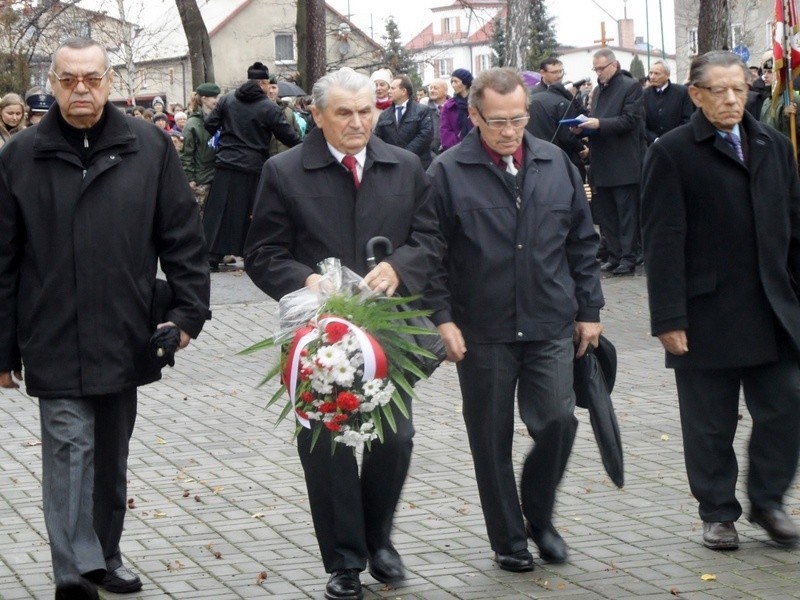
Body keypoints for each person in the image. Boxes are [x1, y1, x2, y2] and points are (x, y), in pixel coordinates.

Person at [0, 37, 211, 599]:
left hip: (125, 330)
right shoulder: (20, 156)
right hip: (50, 330)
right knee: (70, 447)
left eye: (91, 79)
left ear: (109, 81)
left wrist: (189, 313)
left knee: (110, 454)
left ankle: (105, 555)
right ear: (53, 83)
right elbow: (2, 258)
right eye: (69, 80)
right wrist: (1, 351)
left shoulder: (148, 146)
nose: (81, 90)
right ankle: (74, 572)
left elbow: (182, 237)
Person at [244, 67, 443, 600]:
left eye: (367, 111)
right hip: (319, 336)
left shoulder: (404, 165)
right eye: (345, 113)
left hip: (388, 335)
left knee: (394, 439)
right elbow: (262, 253)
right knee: (327, 446)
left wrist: (401, 266)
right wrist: (306, 280)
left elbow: (430, 237)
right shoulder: (284, 171)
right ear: (317, 115)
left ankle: (378, 541)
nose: (359, 123)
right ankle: (345, 561)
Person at [427, 67, 604, 572]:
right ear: (475, 116)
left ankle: (540, 516)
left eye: (518, 120)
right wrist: (443, 319)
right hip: (481, 330)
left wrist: (589, 310)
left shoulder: (556, 163)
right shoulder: (446, 172)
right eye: (498, 121)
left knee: (557, 422)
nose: (509, 131)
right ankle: (508, 538)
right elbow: (430, 255)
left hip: (551, 321)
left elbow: (582, 242)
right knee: (490, 437)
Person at [641, 50, 800, 552]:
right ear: (696, 95)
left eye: (739, 89)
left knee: (787, 405)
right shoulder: (672, 151)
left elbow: (794, 229)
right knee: (710, 423)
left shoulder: (773, 144)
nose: (732, 99)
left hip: (774, 308)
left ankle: (769, 502)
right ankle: (717, 512)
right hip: (705, 312)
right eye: (719, 91)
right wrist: (668, 316)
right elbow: (661, 239)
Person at [203, 61, 301, 270]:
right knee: (250, 213)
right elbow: (288, 136)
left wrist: (226, 140)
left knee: (219, 212)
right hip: (252, 166)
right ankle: (250, 254)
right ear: (264, 83)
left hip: (226, 163)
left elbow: (209, 124)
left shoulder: (228, 100)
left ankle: (211, 255)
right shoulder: (268, 107)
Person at [573, 48, 644, 276]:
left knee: (626, 214)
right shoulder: (598, 90)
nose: (598, 73)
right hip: (601, 162)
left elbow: (630, 120)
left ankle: (628, 256)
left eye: (601, 68)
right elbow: (597, 121)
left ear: (614, 65)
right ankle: (613, 255)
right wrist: (581, 129)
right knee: (606, 214)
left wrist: (598, 124)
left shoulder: (630, 87)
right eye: (595, 69)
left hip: (623, 162)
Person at [374, 74, 433, 168]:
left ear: (404, 91)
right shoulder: (384, 115)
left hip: (417, 164)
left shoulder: (422, 110)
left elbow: (425, 136)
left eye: (392, 88)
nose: (389, 91)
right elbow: (377, 138)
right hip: (393, 164)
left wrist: (405, 155)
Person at [180, 82, 220, 215]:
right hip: (201, 180)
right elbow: (186, 154)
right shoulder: (192, 124)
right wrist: (190, 178)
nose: (217, 100)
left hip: (217, 175)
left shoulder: (219, 119)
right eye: (214, 97)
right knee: (199, 218)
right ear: (203, 98)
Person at [643, 60, 694, 145]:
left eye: (657, 73)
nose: (652, 77)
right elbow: (641, 123)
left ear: (667, 75)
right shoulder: (644, 94)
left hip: (678, 143)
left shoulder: (682, 92)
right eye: (650, 73)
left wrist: (672, 138)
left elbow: (687, 119)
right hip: (652, 145)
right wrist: (654, 139)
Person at [266, 75, 303, 157]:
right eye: (268, 88)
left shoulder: (288, 111)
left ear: (278, 89)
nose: (271, 91)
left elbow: (297, 134)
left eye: (273, 87)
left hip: (286, 158)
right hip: (266, 159)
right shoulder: (258, 111)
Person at [440, 68, 473, 150]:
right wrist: (458, 148)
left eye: (456, 81)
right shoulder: (449, 106)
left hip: (478, 149)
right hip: (456, 150)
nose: (453, 85)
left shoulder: (478, 103)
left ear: (465, 82)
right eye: (452, 82)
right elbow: (445, 130)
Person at [426, 78, 449, 156]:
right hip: (431, 154)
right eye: (431, 88)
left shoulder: (454, 108)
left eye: (435, 88)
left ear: (445, 91)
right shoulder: (424, 110)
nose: (432, 91)